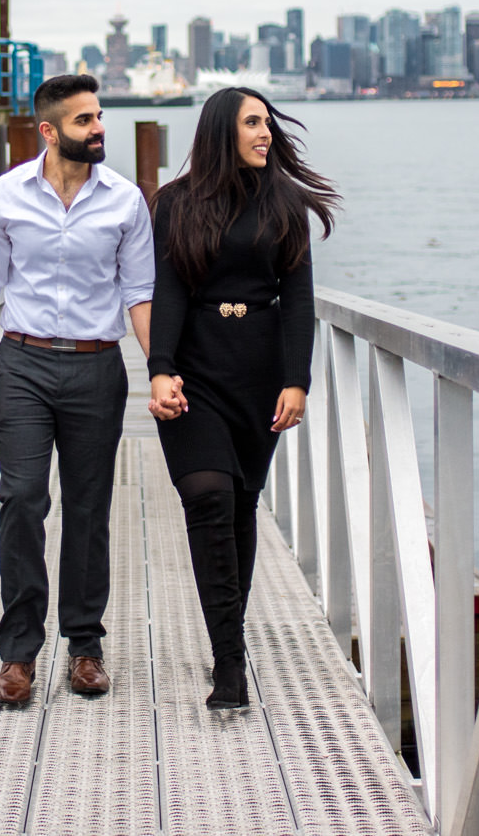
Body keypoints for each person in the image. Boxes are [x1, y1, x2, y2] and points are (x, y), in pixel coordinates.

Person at [0, 73, 154, 707]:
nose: (99, 128)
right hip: (21, 366)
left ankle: (86, 647)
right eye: (84, 120)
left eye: (99, 117)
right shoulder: (6, 196)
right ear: (48, 130)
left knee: (90, 507)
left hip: (98, 370)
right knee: (20, 499)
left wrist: (162, 373)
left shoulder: (125, 201)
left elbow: (140, 295)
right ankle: (18, 654)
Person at [148, 86, 339, 708]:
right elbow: (170, 291)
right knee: (207, 495)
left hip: (259, 373)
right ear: (220, 131)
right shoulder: (174, 204)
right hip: (195, 370)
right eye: (253, 123)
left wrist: (297, 379)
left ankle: (225, 639)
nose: (266, 132)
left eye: (268, 122)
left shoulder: (286, 202)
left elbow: (301, 298)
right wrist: (160, 368)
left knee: (239, 508)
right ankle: (230, 663)